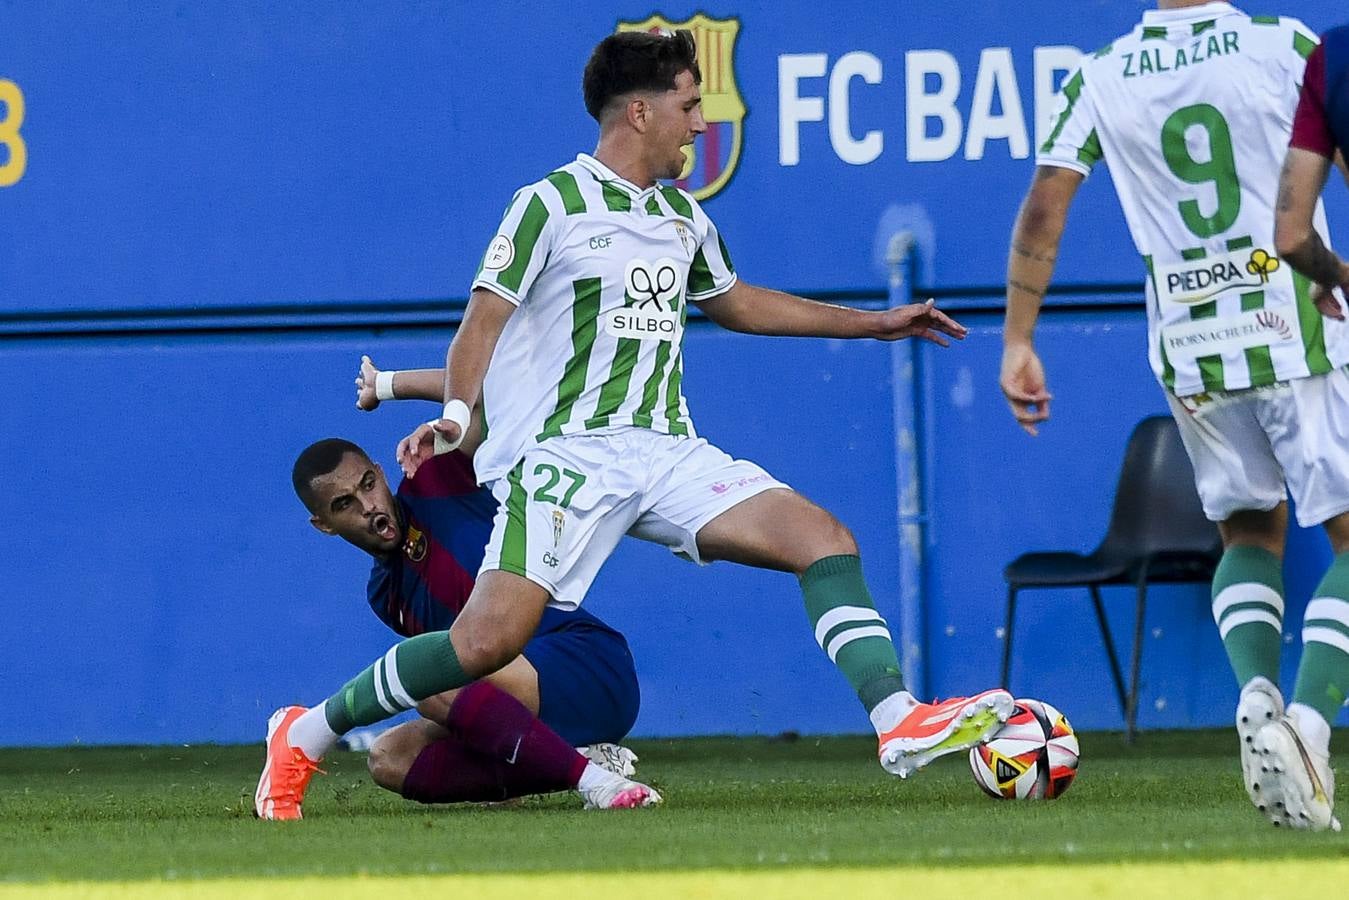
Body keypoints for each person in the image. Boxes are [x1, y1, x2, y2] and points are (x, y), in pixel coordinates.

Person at [256, 28, 1013, 821]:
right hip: (564, 459)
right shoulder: (550, 202)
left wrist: (875, 324)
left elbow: (737, 302)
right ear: (641, 113)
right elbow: (482, 322)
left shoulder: (682, 217)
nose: (699, 124)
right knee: (481, 646)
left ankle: (897, 723)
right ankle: (304, 734)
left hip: (663, 451)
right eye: (690, 106)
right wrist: (453, 415)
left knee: (821, 538)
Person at [1000, 1, 1346, 832]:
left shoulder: (1100, 72)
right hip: (1297, 324)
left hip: (1188, 340)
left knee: (1248, 530)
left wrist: (1016, 338)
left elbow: (1047, 204)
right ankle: (1303, 727)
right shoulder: (1285, 44)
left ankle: (1256, 696)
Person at [260, 434, 655, 818]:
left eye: (368, 484)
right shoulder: (385, 596)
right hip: (528, 706)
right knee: (389, 758)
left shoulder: (437, 479)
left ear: (381, 473)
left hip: (587, 663)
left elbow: (489, 400)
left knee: (429, 680)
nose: (368, 506)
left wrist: (431, 409)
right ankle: (585, 762)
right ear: (324, 524)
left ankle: (595, 783)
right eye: (345, 504)